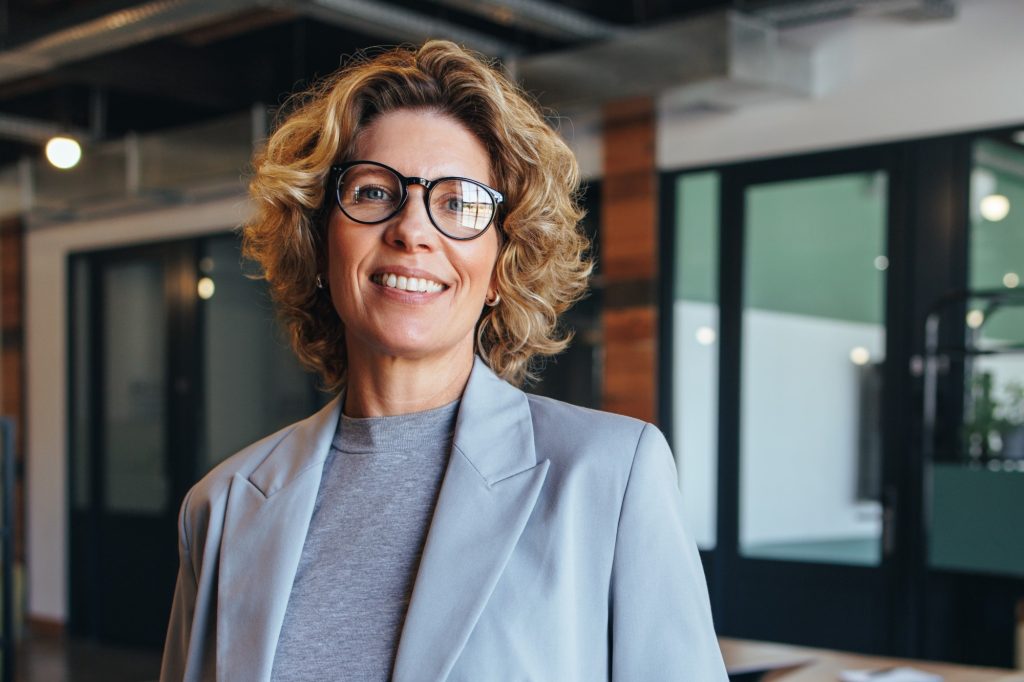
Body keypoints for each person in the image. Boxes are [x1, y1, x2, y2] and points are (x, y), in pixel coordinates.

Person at [159, 40, 727, 682]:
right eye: (373, 193)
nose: (413, 229)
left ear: (499, 267)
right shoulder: (224, 504)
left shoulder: (610, 476)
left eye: (460, 204)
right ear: (319, 244)